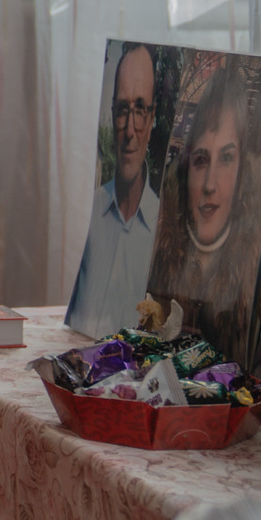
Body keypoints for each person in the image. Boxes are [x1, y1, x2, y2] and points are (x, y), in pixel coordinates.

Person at [144, 67, 261, 351]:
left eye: (226, 158)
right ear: (187, 169)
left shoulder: (259, 271)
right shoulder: (156, 251)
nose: (210, 185)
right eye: (201, 160)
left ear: (242, 172)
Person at [66, 44, 163, 336]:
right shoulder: (90, 209)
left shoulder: (162, 232)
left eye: (140, 110)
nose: (130, 129)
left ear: (153, 116)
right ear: (111, 113)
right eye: (122, 110)